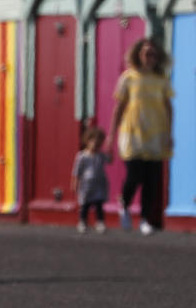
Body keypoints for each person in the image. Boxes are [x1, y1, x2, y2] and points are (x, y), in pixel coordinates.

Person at [104, 38, 174, 236]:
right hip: (132, 134)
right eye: (145, 53)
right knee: (135, 175)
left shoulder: (162, 79)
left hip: (155, 135)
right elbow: (119, 108)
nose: (149, 57)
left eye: (153, 54)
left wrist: (169, 133)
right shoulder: (128, 78)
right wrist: (111, 135)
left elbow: (168, 108)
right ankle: (124, 205)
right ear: (138, 55)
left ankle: (145, 219)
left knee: (152, 179)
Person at [72, 127, 110, 234]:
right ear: (87, 141)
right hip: (86, 185)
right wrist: (75, 183)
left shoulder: (101, 155)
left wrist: (110, 150)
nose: (96, 145)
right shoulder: (82, 156)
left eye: (99, 143)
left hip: (99, 184)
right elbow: (77, 170)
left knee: (99, 204)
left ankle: (100, 222)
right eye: (93, 141)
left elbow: (110, 160)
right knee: (85, 204)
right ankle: (82, 222)